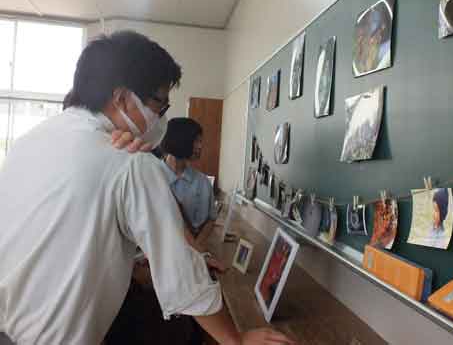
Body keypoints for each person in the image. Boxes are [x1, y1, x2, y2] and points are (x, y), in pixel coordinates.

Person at [0, 31, 293, 345]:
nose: (161, 119)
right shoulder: (131, 163)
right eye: (159, 106)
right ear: (122, 98)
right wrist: (236, 339)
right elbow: (184, 280)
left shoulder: (29, 142)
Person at [159, 118, 217, 251]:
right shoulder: (152, 178)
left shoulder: (203, 182)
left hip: (193, 253)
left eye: (201, 141)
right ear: (179, 139)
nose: (200, 146)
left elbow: (211, 219)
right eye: (196, 141)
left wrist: (195, 249)